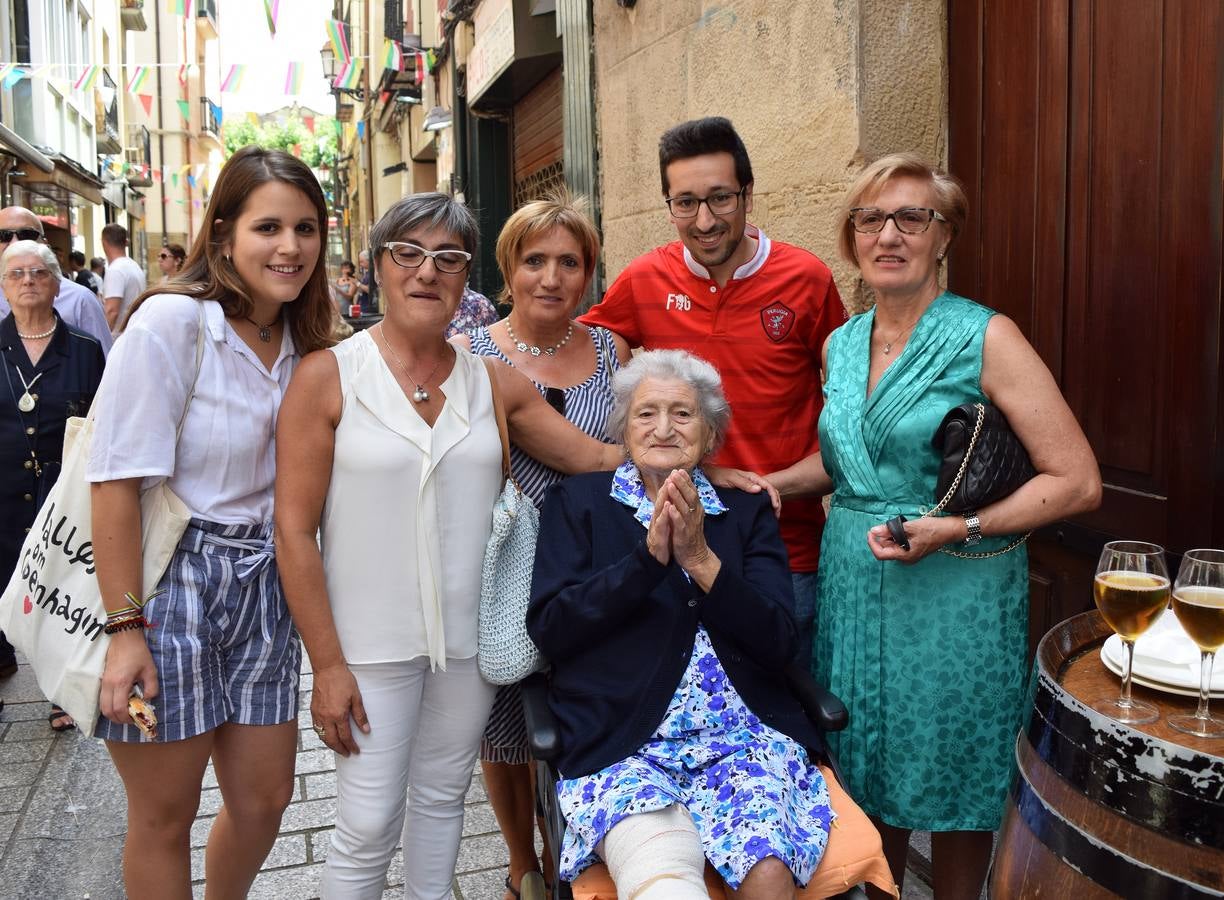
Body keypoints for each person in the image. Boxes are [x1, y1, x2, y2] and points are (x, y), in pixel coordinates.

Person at [767, 153, 1102, 899]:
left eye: (911, 217)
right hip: (855, 585)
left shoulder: (987, 336)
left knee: (955, 784)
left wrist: (960, 526)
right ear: (851, 236)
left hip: (957, 592)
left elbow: (1076, 480)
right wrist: (769, 484)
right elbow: (849, 466)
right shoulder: (842, 343)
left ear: (943, 237)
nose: (890, 234)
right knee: (863, 771)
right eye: (871, 218)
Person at [275, 192, 625, 900]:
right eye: (408, 253)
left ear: (466, 277)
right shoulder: (328, 376)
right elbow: (292, 530)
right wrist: (327, 666)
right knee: (368, 822)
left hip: (469, 643)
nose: (426, 271)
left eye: (448, 258)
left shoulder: (492, 381)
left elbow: (592, 458)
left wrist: (706, 462)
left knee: (440, 805)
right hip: (369, 645)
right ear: (378, 266)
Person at [86, 146, 335, 900]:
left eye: (305, 227)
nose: (289, 247)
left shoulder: (309, 342)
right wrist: (124, 628)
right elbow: (115, 481)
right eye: (268, 227)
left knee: (265, 801)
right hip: (170, 584)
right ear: (223, 234)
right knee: (164, 815)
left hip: (266, 584)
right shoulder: (172, 322)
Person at [527, 349, 839, 900]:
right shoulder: (579, 503)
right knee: (665, 884)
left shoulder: (744, 511)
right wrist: (646, 563)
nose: (664, 428)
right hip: (624, 742)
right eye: (646, 413)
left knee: (768, 874)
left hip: (743, 741)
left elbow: (779, 641)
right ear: (623, 427)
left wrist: (702, 562)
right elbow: (553, 627)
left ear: (711, 433)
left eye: (684, 414)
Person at [579, 117, 845, 668]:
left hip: (785, 555)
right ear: (668, 204)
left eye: (720, 198)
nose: (704, 221)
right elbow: (577, 351)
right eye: (685, 203)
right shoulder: (645, 279)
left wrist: (751, 488)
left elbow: (847, 428)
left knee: (781, 713)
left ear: (748, 195)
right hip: (663, 552)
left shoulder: (807, 280)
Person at [453, 192, 624, 900]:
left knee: (577, 705)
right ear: (509, 268)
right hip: (506, 555)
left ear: (587, 273)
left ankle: (568, 849)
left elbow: (630, 442)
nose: (551, 277)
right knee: (503, 718)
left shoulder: (613, 349)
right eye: (535, 261)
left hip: (591, 561)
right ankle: (522, 861)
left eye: (569, 262)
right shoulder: (471, 352)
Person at [0, 240, 105, 728]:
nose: (27, 281)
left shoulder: (84, 351)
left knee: (58, 587)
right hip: (2, 494)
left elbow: (104, 424)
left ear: (57, 283)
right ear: (3, 286)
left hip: (61, 496)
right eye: (16, 274)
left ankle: (61, 689)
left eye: (38, 273)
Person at [0, 207, 112, 354]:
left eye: (27, 234)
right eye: (3, 236)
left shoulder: (80, 301)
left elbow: (104, 366)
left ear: (45, 243)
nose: (14, 242)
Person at [100, 222, 146, 332]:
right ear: (125, 242)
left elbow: (112, 311)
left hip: (119, 337)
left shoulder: (115, 270)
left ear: (104, 242)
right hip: (133, 331)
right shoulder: (133, 265)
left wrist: (102, 341)